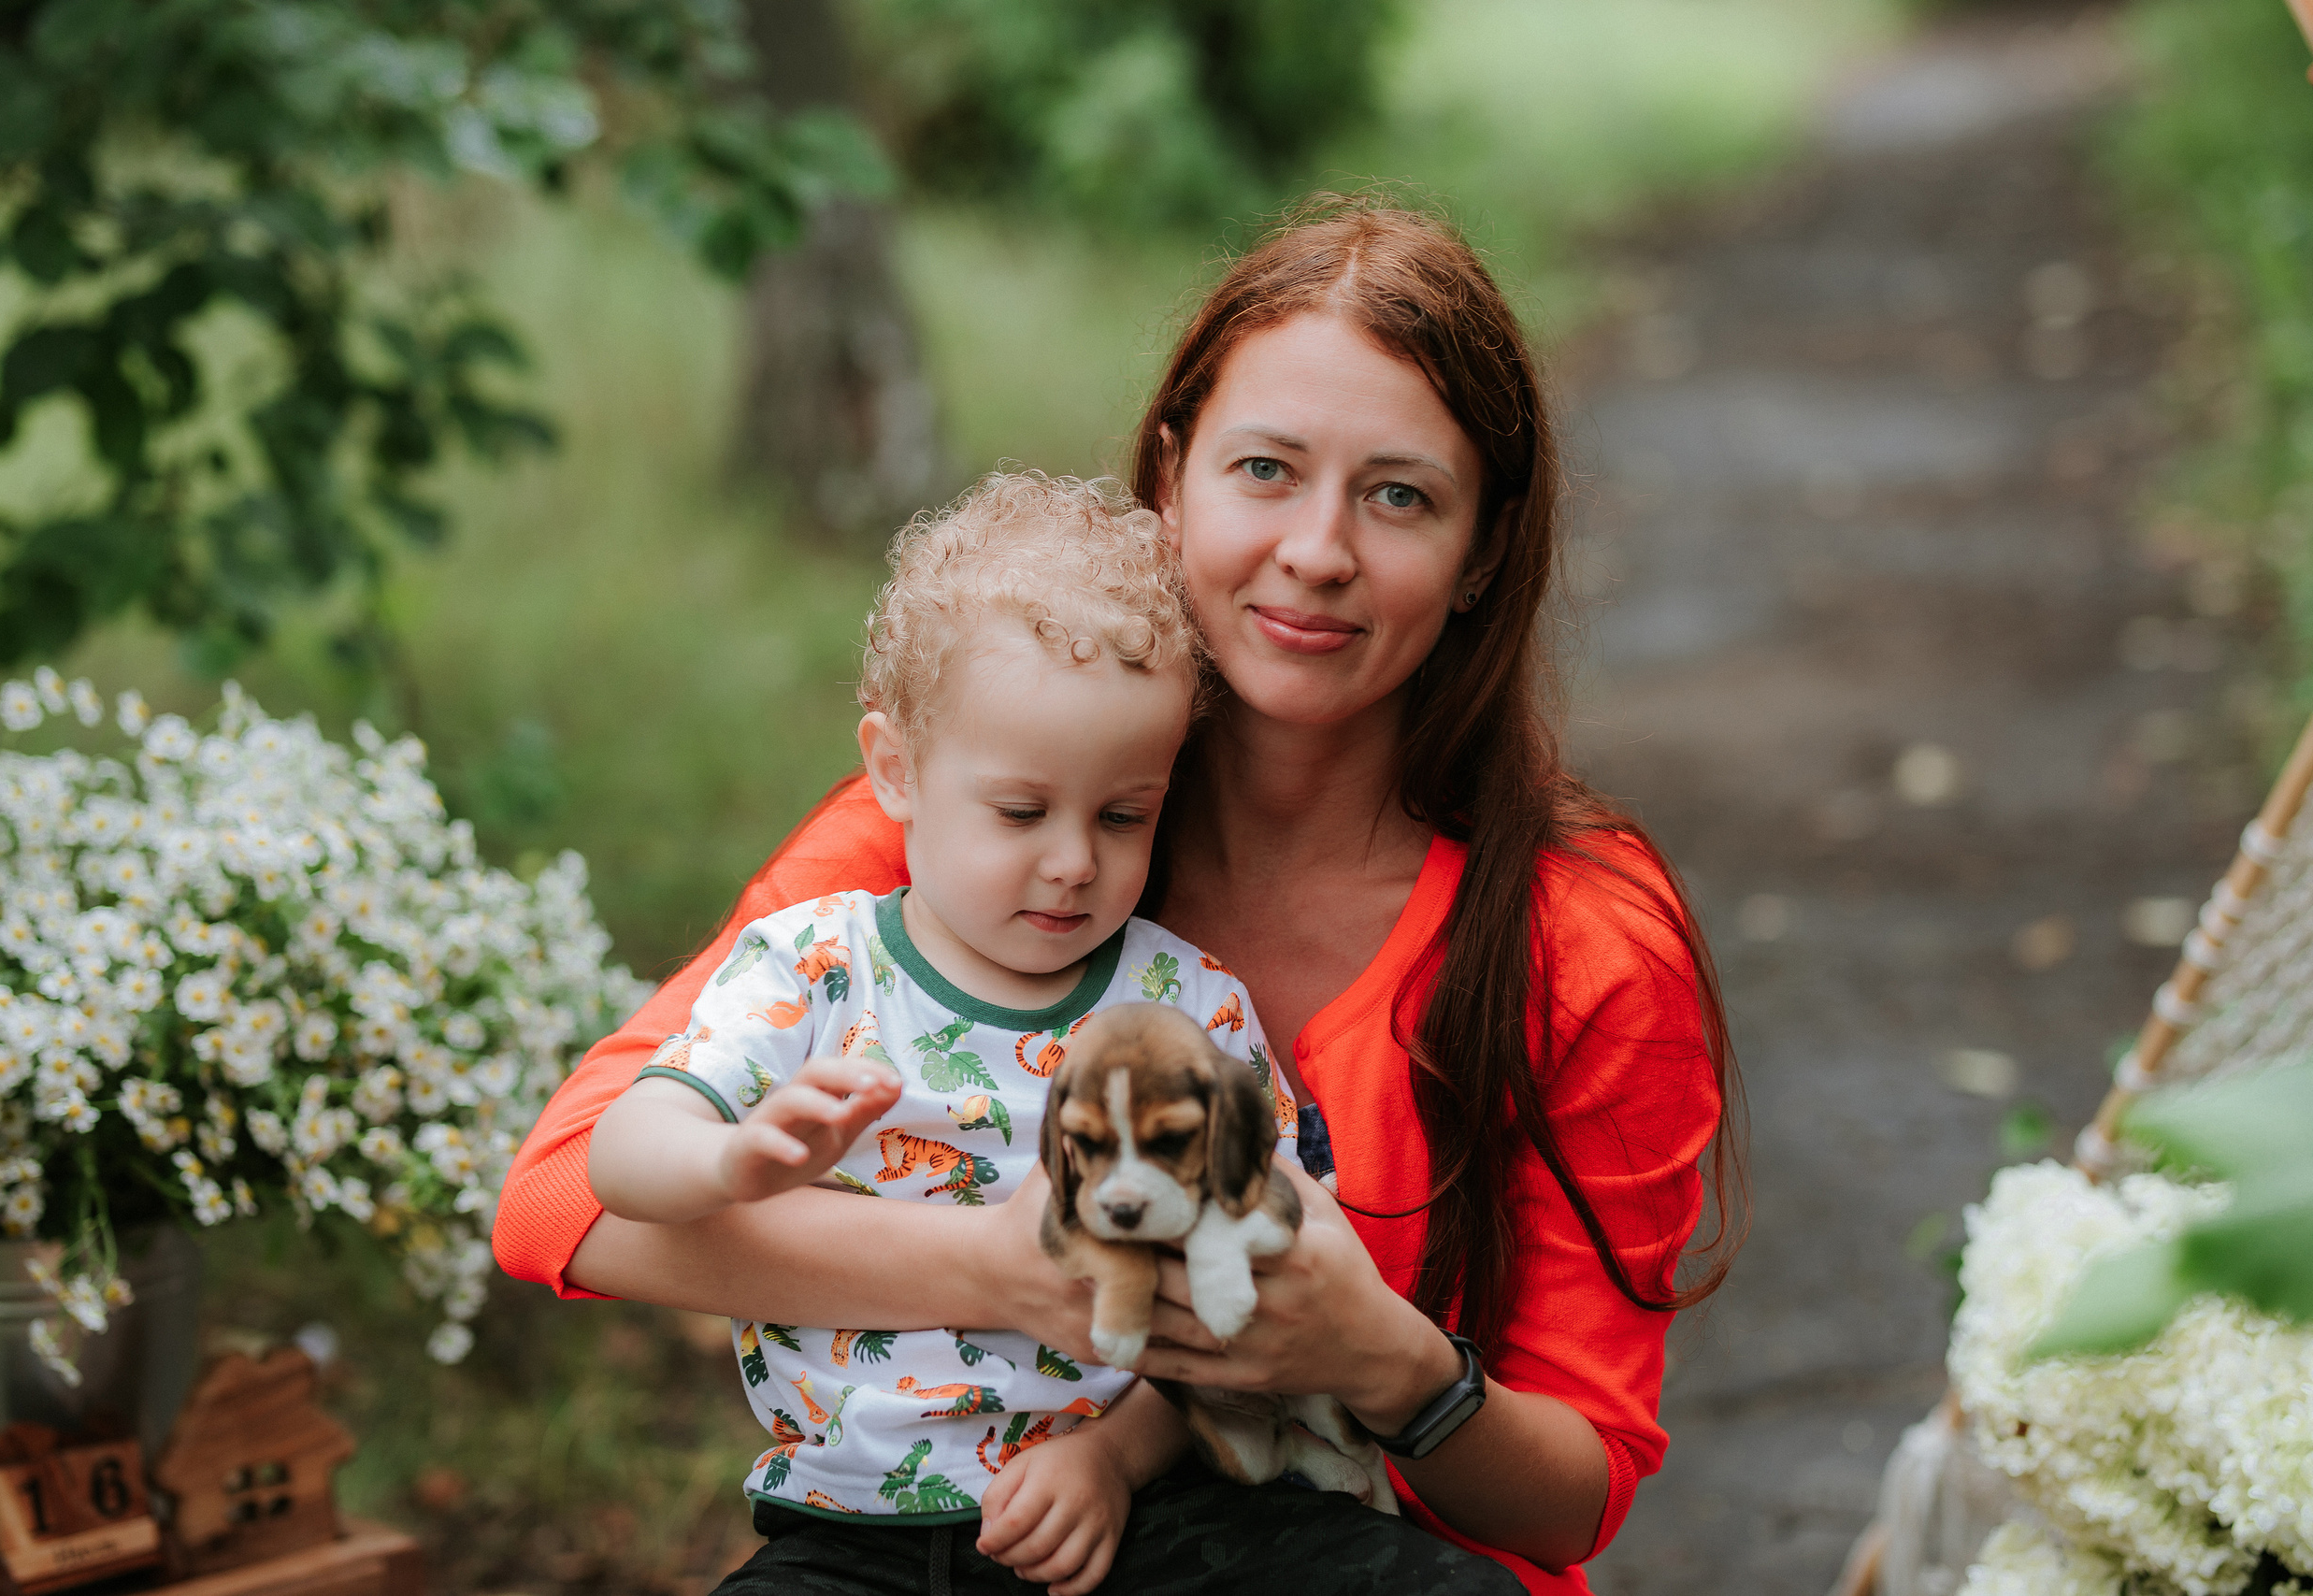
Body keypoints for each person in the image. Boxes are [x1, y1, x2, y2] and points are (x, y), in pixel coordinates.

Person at [494, 194, 1744, 1596]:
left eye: (1400, 494)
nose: (1319, 549)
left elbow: (1573, 1502)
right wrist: (1001, 1269)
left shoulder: (1579, 939)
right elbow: (557, 1198)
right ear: (1172, 475)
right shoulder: (984, 820)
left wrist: (1380, 1355)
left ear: (1482, 553)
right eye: (1265, 468)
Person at [585, 470, 1331, 1594]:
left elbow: (1273, 1263)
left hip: (1136, 1513)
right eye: (1022, 812)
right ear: (896, 770)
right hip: (852, 1532)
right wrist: (729, 1157)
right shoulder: (813, 971)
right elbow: (617, 1158)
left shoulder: (1189, 1007)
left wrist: (1117, 1462)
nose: (1076, 860)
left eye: (1125, 814)